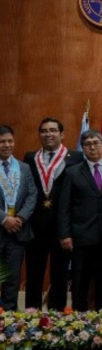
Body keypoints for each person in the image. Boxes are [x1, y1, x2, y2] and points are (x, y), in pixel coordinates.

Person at [24, 117, 83, 310]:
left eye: (53, 130)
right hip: (35, 226)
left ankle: (56, 319)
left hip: (62, 228)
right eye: (44, 131)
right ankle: (31, 317)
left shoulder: (75, 157)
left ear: (62, 134)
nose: (48, 134)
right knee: (34, 274)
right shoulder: (30, 158)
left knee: (59, 275)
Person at [58, 130, 102, 310]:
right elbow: (65, 206)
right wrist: (65, 234)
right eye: (87, 144)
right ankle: (79, 321)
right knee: (80, 282)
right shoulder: (72, 172)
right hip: (81, 236)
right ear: (82, 148)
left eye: (96, 143)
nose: (92, 147)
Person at [0, 125, 37, 311]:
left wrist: (20, 218)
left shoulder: (23, 167)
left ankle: (8, 322)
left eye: (10, 141)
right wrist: (3, 219)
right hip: (1, 227)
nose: (7, 145)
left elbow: (32, 194)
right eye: (2, 142)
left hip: (18, 232)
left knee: (12, 279)